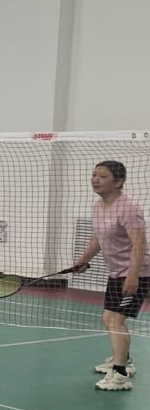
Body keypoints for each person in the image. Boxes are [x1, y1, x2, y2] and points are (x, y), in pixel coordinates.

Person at [69, 160, 146, 392]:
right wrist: (83, 260)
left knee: (115, 320)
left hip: (137, 272)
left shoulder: (128, 208)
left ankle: (120, 375)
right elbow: (97, 238)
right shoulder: (98, 207)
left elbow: (139, 244)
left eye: (103, 176)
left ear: (119, 181)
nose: (95, 180)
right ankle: (124, 360)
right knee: (108, 318)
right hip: (116, 272)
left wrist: (133, 276)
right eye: (94, 175)